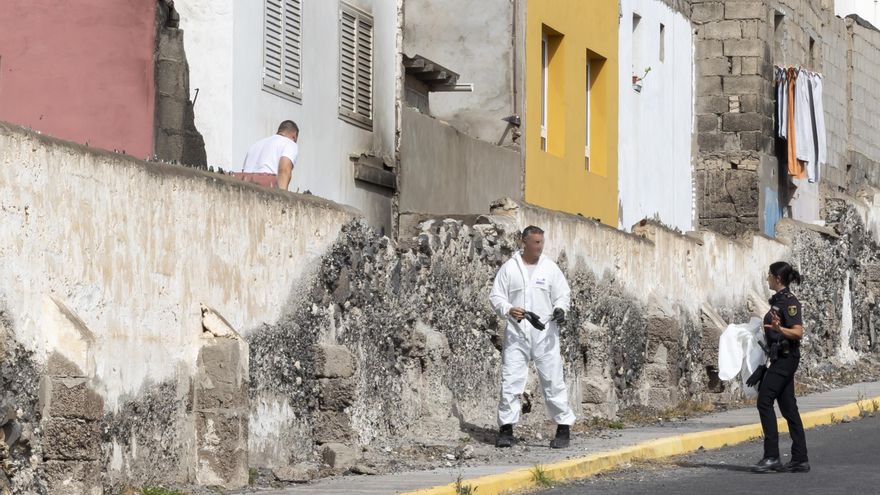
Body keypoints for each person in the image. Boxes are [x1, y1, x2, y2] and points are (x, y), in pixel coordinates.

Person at [489, 225, 575, 449]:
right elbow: (496, 296)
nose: (540, 247)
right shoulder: (509, 269)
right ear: (524, 242)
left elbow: (563, 295)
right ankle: (506, 429)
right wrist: (508, 309)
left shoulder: (550, 269)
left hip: (545, 334)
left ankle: (563, 428)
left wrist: (560, 309)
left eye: (541, 243)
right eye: (536, 243)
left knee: (552, 379)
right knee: (511, 380)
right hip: (517, 334)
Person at [747, 261, 810, 473]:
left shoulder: (790, 302)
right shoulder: (778, 301)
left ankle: (772, 456)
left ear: (778, 279)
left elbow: (798, 332)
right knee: (788, 407)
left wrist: (779, 329)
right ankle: (800, 458)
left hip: (786, 359)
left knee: (764, 401)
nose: (767, 278)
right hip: (779, 358)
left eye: (769, 275)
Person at [239, 120, 299, 190]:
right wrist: (283, 196)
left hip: (244, 189)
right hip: (266, 190)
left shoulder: (255, 145)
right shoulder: (290, 143)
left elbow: (244, 171)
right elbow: (284, 170)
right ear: (294, 136)